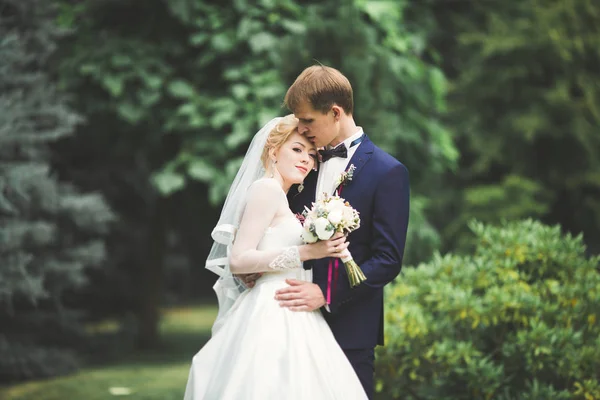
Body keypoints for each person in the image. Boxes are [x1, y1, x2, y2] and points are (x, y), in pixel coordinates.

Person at [183, 114, 368, 399]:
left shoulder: (282, 196)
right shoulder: (266, 189)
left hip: (293, 306)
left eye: (310, 154)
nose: (306, 159)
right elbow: (239, 259)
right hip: (271, 310)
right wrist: (310, 251)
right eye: (296, 149)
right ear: (273, 151)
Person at [275, 65, 410, 399]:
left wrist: (327, 294)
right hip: (289, 322)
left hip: (350, 330)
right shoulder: (300, 161)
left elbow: (387, 260)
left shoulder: (388, 172)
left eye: (307, 121)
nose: (301, 130)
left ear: (335, 112)